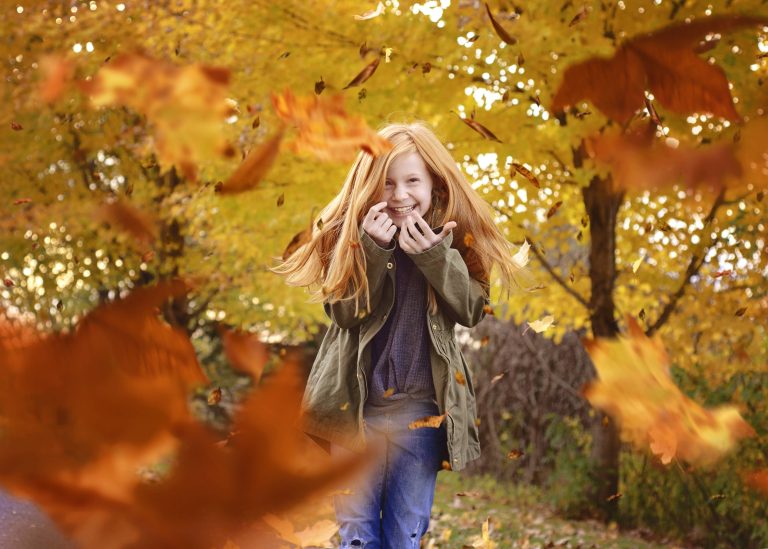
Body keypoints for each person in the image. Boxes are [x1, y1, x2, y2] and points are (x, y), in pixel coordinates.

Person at [275, 121, 525, 548]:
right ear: (370, 184)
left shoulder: (452, 238)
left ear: (434, 185)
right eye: (387, 183)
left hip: (421, 416)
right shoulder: (349, 236)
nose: (400, 194)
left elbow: (470, 310)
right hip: (355, 416)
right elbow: (344, 313)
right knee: (357, 537)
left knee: (404, 537)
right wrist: (370, 250)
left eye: (412, 181)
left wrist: (433, 257)